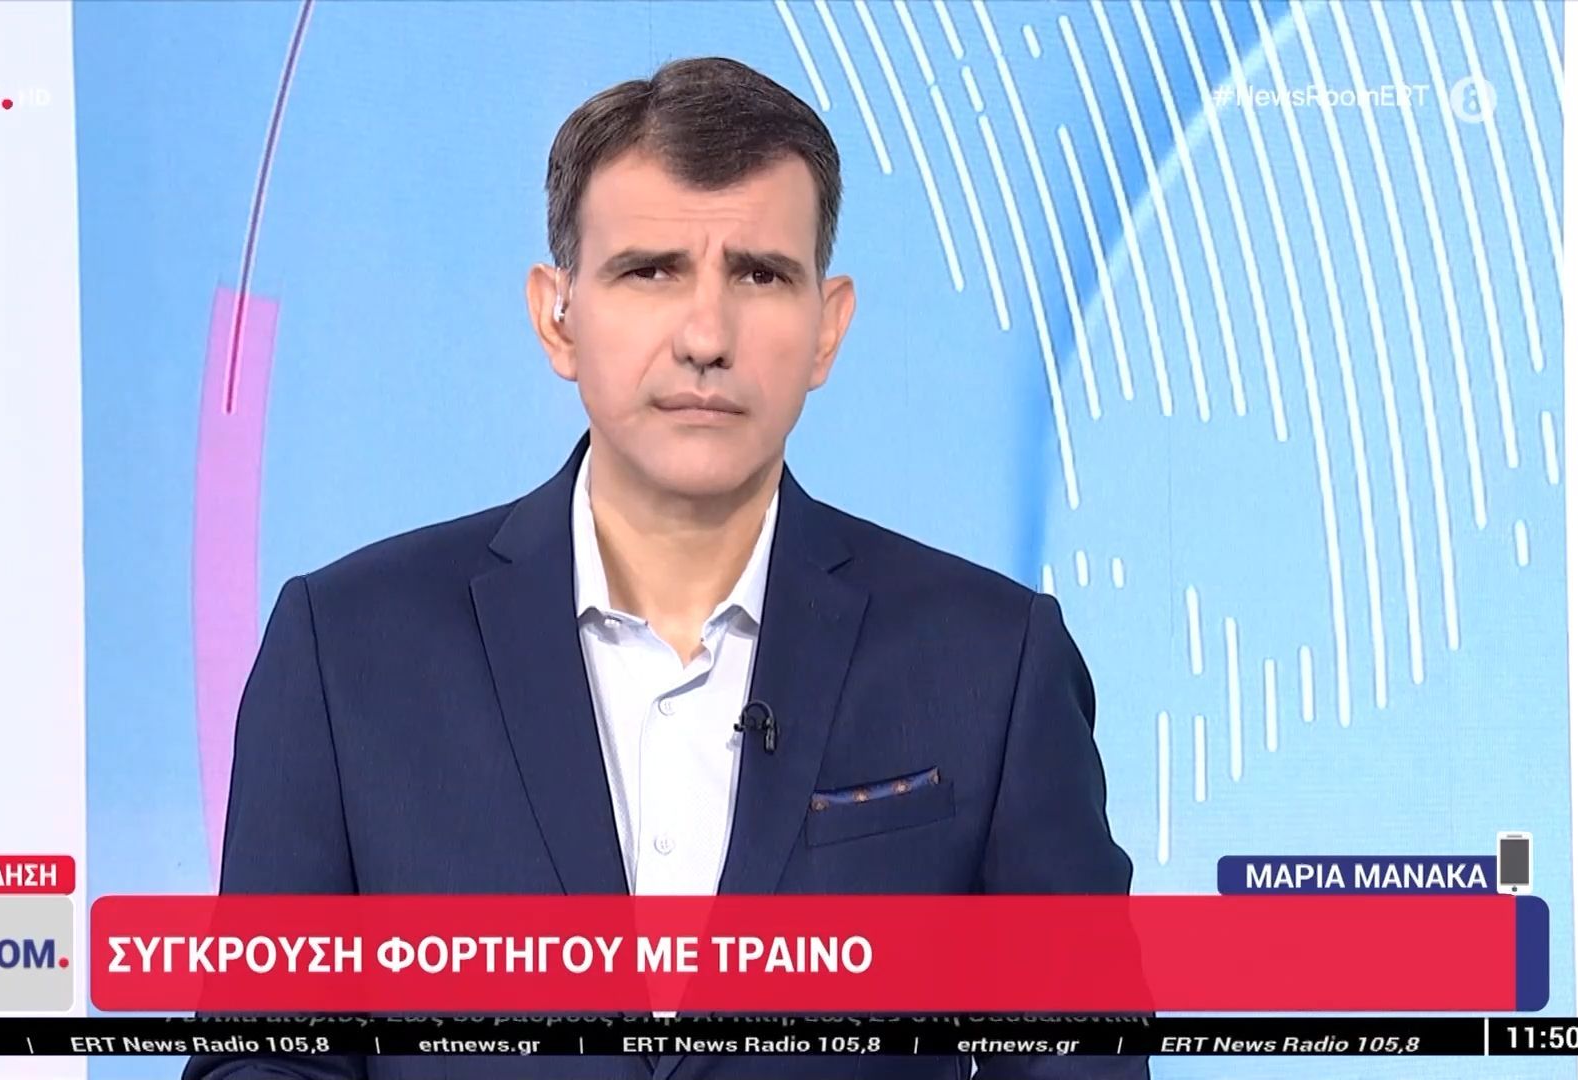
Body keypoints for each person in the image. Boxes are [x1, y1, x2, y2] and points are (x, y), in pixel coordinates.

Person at [187, 56, 1142, 1080]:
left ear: (828, 327)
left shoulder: (991, 663)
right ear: (557, 315)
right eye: (651, 271)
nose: (705, 336)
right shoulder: (346, 651)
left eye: (760, 275)